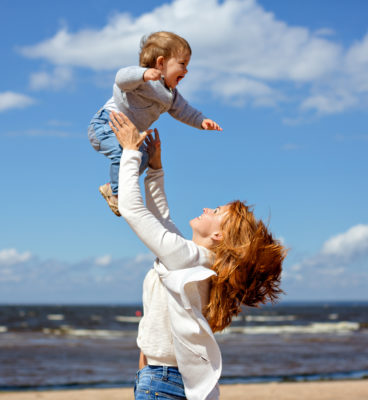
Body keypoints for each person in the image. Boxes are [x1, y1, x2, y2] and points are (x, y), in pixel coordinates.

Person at [109, 111, 285, 400]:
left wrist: (130, 152)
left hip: (162, 380)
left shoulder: (187, 258)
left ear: (219, 236)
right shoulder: (196, 259)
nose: (207, 209)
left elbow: (134, 211)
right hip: (163, 378)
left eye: (215, 212)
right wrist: (155, 170)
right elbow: (162, 220)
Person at [88, 31, 222, 217]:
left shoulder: (170, 95)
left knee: (140, 158)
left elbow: (184, 110)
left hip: (129, 136)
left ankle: (112, 188)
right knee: (125, 154)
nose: (186, 71)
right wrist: (143, 74)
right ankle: (119, 195)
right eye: (182, 64)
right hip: (106, 125)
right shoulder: (142, 80)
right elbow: (121, 77)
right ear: (160, 63)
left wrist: (201, 121)